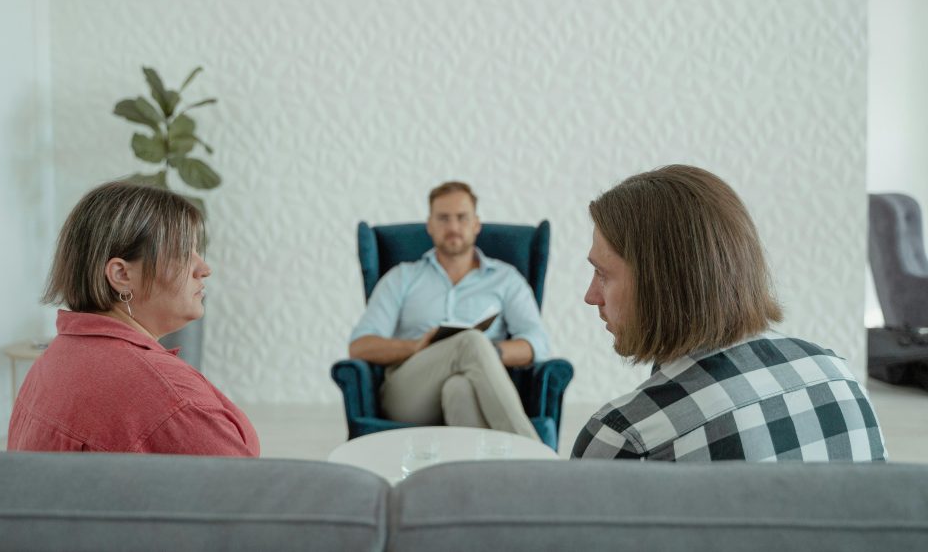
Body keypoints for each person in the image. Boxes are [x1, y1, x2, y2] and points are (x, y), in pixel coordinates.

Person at [573, 164, 886, 461]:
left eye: (603, 274)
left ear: (662, 283)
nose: (591, 296)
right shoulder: (840, 383)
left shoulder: (626, 439)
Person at [8, 181, 259, 456]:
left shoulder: (56, 359)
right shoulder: (167, 397)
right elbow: (245, 491)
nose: (204, 269)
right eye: (183, 253)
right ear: (121, 275)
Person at [348, 181, 549, 440]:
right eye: (443, 218)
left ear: (476, 224)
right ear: (430, 225)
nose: (453, 227)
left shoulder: (506, 279)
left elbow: (538, 344)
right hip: (408, 393)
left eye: (461, 218)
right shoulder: (402, 277)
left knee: (459, 388)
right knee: (471, 340)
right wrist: (415, 347)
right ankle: (535, 457)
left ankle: (479, 478)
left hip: (476, 386)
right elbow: (360, 346)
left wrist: (487, 353)